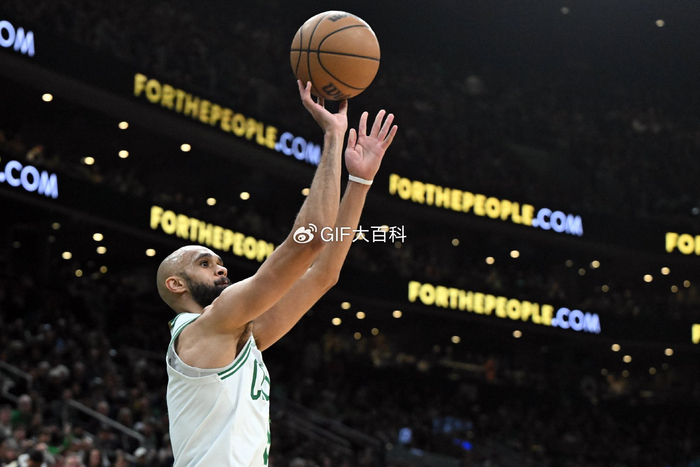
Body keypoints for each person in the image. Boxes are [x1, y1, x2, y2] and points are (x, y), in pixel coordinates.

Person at [157, 80, 397, 467]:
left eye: (217, 261)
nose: (220, 266)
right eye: (204, 263)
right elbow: (311, 239)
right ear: (176, 284)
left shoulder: (238, 337)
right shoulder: (208, 327)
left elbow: (324, 274)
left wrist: (360, 182)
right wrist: (333, 138)